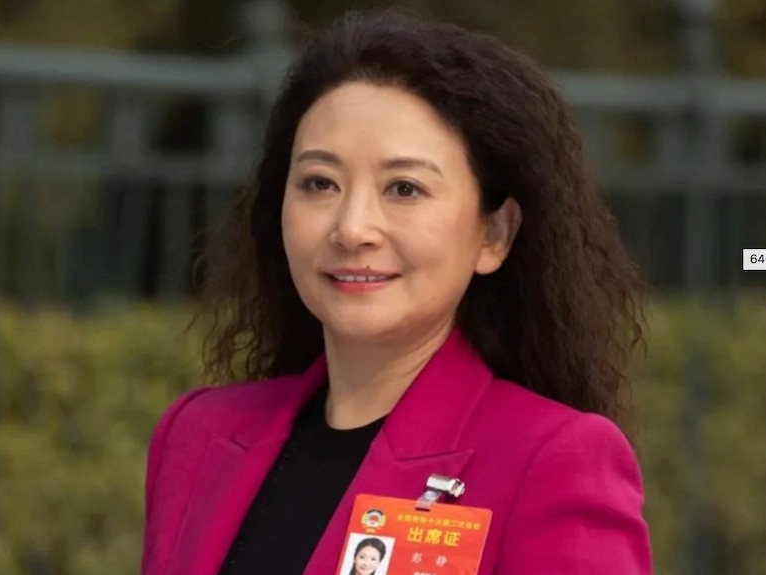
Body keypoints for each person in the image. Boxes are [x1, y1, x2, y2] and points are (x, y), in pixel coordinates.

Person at [141, 7, 653, 575]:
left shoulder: (552, 460)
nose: (352, 228)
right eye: (320, 183)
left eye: (404, 188)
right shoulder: (195, 434)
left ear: (494, 233)